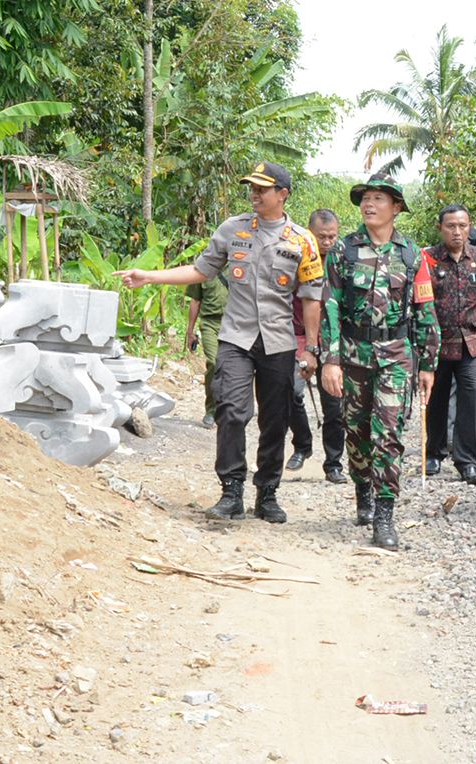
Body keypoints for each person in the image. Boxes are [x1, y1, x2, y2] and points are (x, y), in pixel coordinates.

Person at [117, 161, 323, 523]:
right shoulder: (233, 229)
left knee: (275, 420)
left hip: (278, 342)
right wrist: (150, 276)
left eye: (262, 189)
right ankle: (231, 491)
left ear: (283, 194)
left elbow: (311, 297)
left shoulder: (302, 240)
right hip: (236, 337)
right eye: (252, 188)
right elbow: (200, 270)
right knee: (231, 410)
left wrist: (311, 349)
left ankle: (267, 494)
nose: (254, 194)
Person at [320, 172, 439, 550]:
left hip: (396, 356)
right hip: (354, 354)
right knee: (356, 433)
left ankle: (385, 514)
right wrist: (330, 359)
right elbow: (330, 306)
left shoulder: (412, 254)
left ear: (396, 207)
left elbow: (425, 310)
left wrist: (428, 364)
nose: (369, 205)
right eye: (366, 198)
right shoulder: (344, 250)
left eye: (379, 199)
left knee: (388, 434)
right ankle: (363, 492)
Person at [422, 205, 476, 485]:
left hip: (473, 343)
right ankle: (434, 452)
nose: (457, 232)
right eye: (451, 226)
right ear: (440, 228)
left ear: (469, 227)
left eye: (462, 226)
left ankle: (469, 462)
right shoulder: (427, 259)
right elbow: (420, 304)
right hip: (437, 343)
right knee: (436, 398)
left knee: (472, 397)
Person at [288, 209, 347, 483]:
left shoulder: (343, 262)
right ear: (309, 234)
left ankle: (333, 463)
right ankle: (302, 444)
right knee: (290, 392)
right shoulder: (294, 258)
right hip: (298, 337)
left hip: (332, 342)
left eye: (332, 236)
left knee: (334, 406)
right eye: (321, 237)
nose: (327, 242)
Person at [185, 264, 228, 428]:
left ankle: (230, 406)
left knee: (233, 367)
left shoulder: (239, 263)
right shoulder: (203, 267)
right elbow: (195, 301)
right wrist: (190, 331)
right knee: (214, 363)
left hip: (234, 324)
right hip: (210, 323)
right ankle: (211, 410)